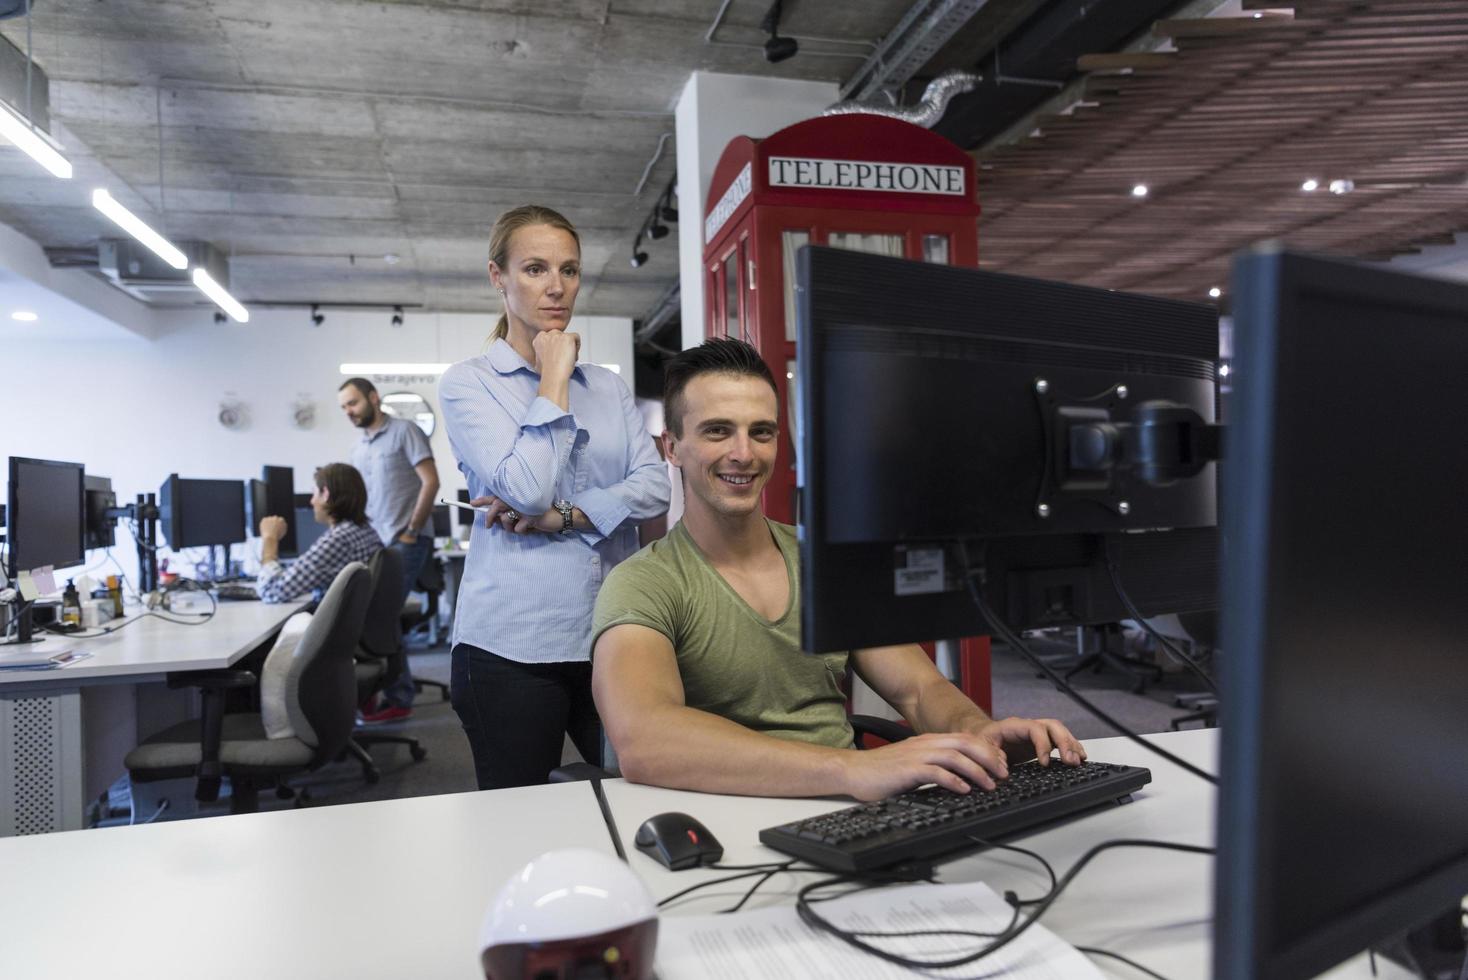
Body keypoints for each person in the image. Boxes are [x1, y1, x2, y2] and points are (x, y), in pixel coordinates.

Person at [590, 338, 1087, 800]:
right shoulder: (641, 584)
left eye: (761, 432)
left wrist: (975, 728)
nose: (743, 453)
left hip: (847, 808)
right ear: (671, 448)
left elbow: (918, 688)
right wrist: (850, 769)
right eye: (717, 431)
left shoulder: (824, 566)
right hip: (723, 814)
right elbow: (644, 738)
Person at [439, 204, 670, 791]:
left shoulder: (610, 386)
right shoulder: (470, 384)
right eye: (535, 269)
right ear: (499, 277)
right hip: (513, 647)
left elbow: (654, 487)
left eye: (569, 270)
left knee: (637, 799)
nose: (557, 287)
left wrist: (560, 517)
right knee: (521, 824)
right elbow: (526, 486)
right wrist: (554, 379)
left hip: (614, 636)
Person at [339, 375, 441, 723]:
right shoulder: (358, 448)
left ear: (373, 397)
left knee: (380, 614)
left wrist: (413, 531)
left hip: (405, 540)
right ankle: (375, 691)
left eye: (352, 403)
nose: (348, 411)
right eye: (344, 407)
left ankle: (396, 695)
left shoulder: (405, 432)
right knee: (372, 614)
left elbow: (431, 481)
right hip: (376, 544)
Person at [256, 463, 382, 603]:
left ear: (325, 494)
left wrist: (270, 539)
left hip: (335, 624)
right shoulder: (365, 531)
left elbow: (272, 591)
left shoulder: (339, 539)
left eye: (314, 493)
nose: (312, 501)